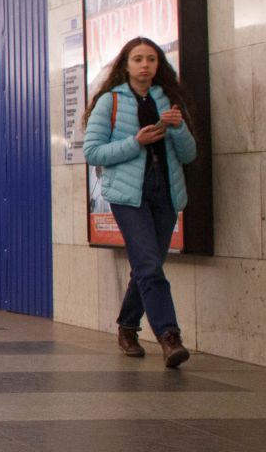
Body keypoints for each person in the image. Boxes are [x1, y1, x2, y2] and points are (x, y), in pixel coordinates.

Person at [82, 37, 199, 369]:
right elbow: (93, 152)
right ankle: (169, 337)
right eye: (138, 59)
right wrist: (136, 142)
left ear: (158, 64)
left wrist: (177, 129)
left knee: (148, 267)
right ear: (127, 65)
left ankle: (128, 326)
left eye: (151, 58)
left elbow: (189, 154)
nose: (145, 64)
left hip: (165, 193)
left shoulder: (170, 100)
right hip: (128, 196)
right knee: (149, 265)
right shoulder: (110, 102)